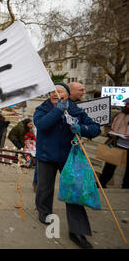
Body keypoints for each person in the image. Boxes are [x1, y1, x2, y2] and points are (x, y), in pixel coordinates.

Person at [34, 82, 101, 249]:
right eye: (52, 91)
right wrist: (58, 110)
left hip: (70, 158)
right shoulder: (42, 109)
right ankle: (44, 212)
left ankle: (77, 231)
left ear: (68, 93)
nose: (55, 94)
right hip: (46, 156)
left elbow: (95, 129)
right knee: (44, 188)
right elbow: (42, 125)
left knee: (74, 193)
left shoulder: (76, 110)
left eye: (60, 91)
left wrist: (81, 128)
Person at [98, 97, 129, 189]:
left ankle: (126, 186)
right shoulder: (118, 115)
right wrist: (110, 133)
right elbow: (108, 127)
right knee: (109, 166)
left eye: (128, 105)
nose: (126, 106)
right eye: (125, 104)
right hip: (117, 143)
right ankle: (101, 183)